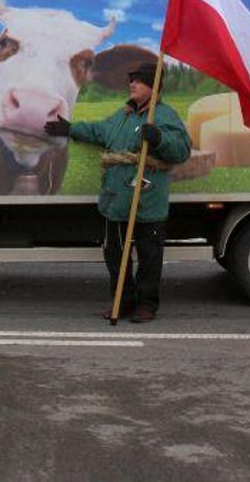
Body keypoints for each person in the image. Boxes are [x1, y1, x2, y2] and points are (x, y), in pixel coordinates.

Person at [44, 63, 190, 323]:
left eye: (138, 81)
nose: (131, 84)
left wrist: (158, 138)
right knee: (116, 256)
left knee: (149, 257)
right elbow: (99, 131)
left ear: (153, 87)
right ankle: (122, 302)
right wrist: (70, 129)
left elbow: (181, 150)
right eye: (131, 80)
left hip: (148, 204)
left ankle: (146, 304)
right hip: (116, 203)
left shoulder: (165, 116)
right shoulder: (122, 117)